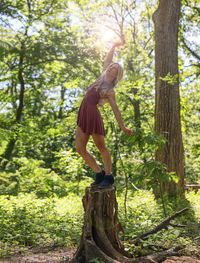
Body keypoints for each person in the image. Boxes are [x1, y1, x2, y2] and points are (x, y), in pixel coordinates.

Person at [75, 40, 132, 187]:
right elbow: (107, 59)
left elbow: (116, 111)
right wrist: (113, 46)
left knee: (101, 147)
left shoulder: (109, 91)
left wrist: (123, 127)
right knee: (80, 149)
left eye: (114, 68)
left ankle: (108, 175)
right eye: (111, 66)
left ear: (116, 74)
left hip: (93, 115)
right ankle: (99, 173)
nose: (111, 66)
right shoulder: (100, 78)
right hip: (83, 113)